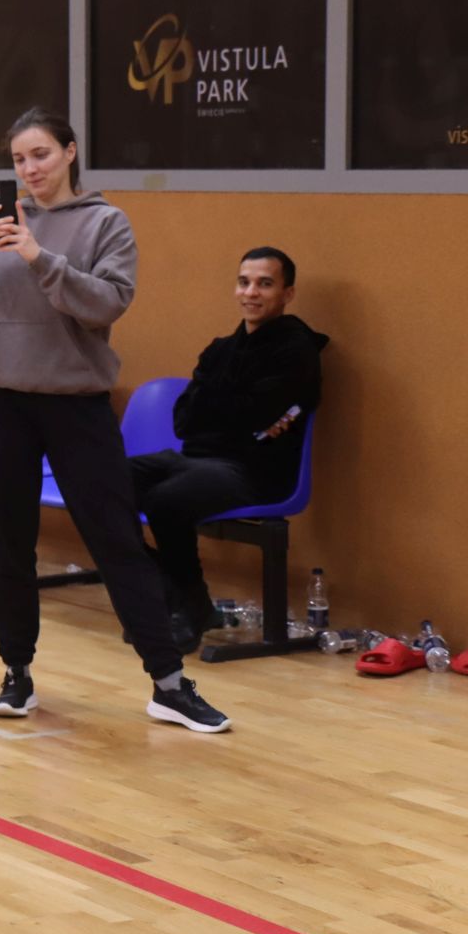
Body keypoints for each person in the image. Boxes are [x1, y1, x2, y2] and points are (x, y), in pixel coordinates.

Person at [0, 107, 231, 734]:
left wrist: (38, 256)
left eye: (41, 154)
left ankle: (169, 685)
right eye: (19, 160)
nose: (30, 169)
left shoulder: (106, 223)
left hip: (75, 403)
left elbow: (106, 303)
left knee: (116, 540)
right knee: (8, 544)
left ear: (70, 152)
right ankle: (16, 674)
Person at [132, 248, 326, 650]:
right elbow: (184, 421)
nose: (251, 292)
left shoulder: (298, 352)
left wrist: (214, 399)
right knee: (95, 484)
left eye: (264, 284)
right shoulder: (220, 349)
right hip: (194, 459)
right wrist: (228, 403)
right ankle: (169, 589)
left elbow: (253, 417)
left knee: (165, 500)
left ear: (288, 293)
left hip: (255, 471)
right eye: (244, 282)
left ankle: (188, 604)